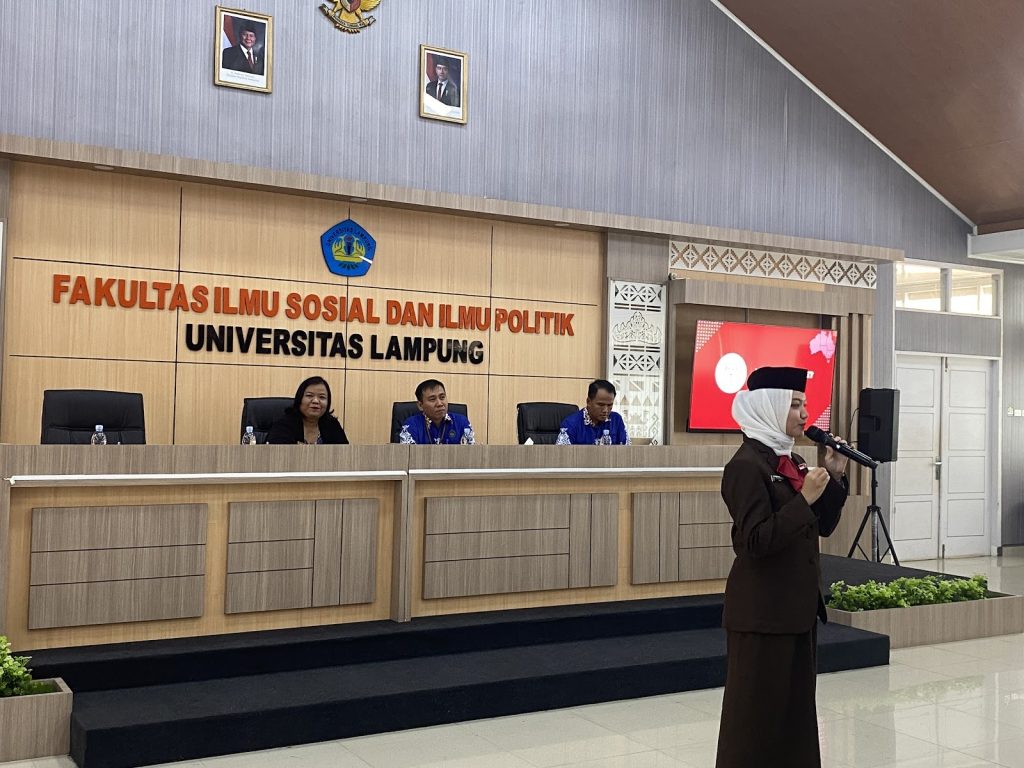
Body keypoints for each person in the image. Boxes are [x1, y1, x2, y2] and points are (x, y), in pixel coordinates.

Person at [715, 366, 849, 768]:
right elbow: (756, 541)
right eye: (794, 404)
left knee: (794, 717)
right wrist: (804, 499)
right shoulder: (745, 466)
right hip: (762, 613)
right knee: (754, 721)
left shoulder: (792, 460)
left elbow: (821, 525)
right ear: (768, 407)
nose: (805, 414)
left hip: (796, 609)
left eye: (805, 404)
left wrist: (835, 476)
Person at [267, 376, 349, 444]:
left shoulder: (332, 425)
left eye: (322, 397)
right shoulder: (284, 424)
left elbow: (344, 454)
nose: (316, 401)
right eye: (309, 396)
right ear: (300, 399)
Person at [400, 379, 473, 444]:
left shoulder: (461, 422)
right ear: (420, 405)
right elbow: (407, 454)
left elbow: (470, 453)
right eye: (432, 399)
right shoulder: (411, 425)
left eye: (442, 397)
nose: (439, 403)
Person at [558, 379, 630, 444]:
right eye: (601, 405)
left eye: (609, 405)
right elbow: (562, 453)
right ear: (588, 402)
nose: (605, 410)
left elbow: (627, 450)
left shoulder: (616, 420)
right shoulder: (571, 424)